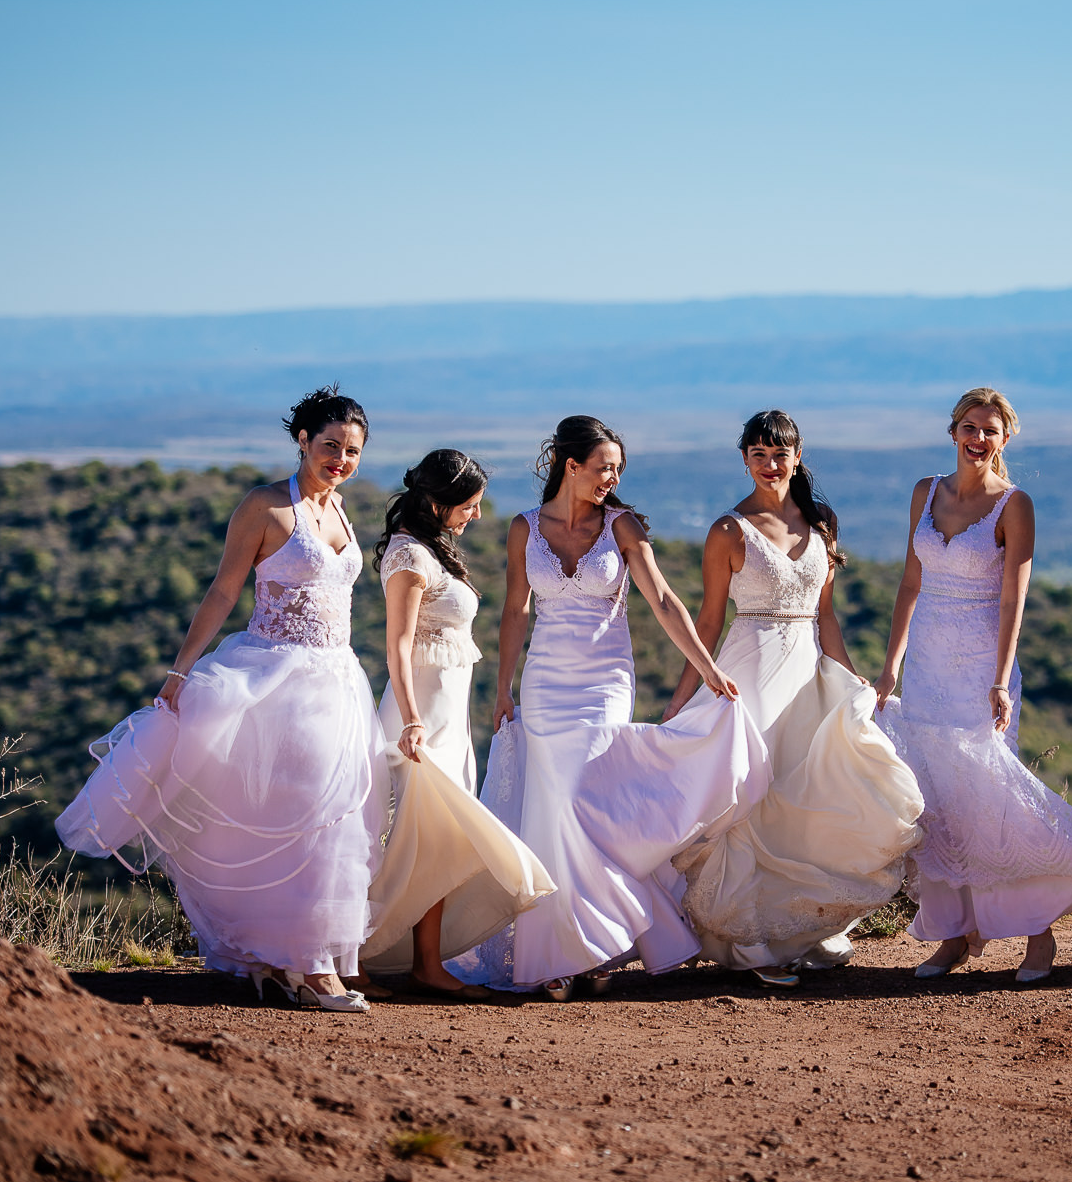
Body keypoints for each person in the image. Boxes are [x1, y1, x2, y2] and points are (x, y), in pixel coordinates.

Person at [58, 386, 382, 1013]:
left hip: (337, 684)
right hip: (272, 682)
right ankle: (299, 966)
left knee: (334, 818)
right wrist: (180, 670)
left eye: (352, 451)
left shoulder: (342, 511)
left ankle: (301, 959)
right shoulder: (264, 507)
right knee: (282, 817)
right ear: (302, 441)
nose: (340, 459)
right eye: (330, 446)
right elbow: (222, 590)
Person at [464, 415, 763, 1000]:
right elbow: (514, 612)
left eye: (618, 469)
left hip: (605, 680)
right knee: (554, 809)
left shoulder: (622, 526)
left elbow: (663, 599)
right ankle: (561, 952)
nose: (613, 477)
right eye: (604, 467)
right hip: (546, 681)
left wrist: (707, 667)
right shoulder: (525, 528)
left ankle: (597, 943)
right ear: (570, 466)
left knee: (585, 799)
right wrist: (503, 686)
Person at [659, 411, 925, 987]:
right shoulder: (728, 531)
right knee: (752, 795)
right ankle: (747, 936)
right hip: (749, 666)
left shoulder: (823, 521)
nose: (769, 464)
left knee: (811, 791)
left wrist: (851, 683)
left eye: (779, 453)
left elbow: (826, 615)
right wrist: (685, 694)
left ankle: (795, 927)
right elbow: (708, 619)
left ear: (797, 456)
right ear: (745, 460)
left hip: (806, 669)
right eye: (757, 453)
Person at [874, 388, 1072, 984]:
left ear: (1005, 439)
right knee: (935, 797)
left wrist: (999, 678)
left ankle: (1038, 936)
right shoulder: (925, 492)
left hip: (980, 667)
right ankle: (954, 937)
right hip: (928, 663)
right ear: (952, 431)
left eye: (990, 430)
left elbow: (1015, 597)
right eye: (969, 427)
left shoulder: (1014, 505)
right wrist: (891, 665)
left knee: (992, 796)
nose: (977, 439)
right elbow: (910, 583)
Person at [358, 450, 554, 1000]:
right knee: (397, 840)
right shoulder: (408, 556)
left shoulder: (435, 551)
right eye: (469, 506)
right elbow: (397, 643)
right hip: (419, 717)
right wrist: (413, 720)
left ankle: (426, 964)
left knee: (439, 841)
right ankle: (353, 954)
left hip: (450, 718)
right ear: (438, 503)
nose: (476, 516)